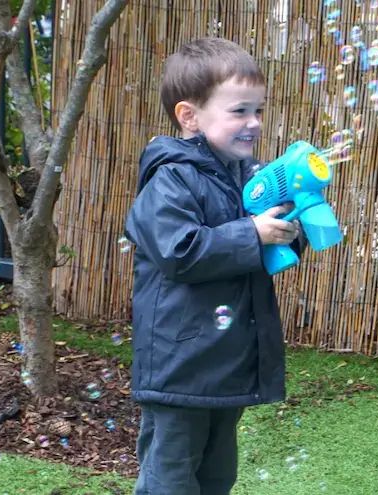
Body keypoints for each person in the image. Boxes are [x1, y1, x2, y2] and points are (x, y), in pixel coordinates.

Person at [123, 37, 305, 495]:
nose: (254, 123)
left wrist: (288, 232)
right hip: (179, 364)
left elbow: (260, 253)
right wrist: (252, 233)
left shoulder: (250, 178)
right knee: (171, 478)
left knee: (217, 476)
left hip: (224, 362)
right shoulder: (169, 179)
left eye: (258, 111)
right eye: (239, 111)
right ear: (189, 116)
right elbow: (180, 252)